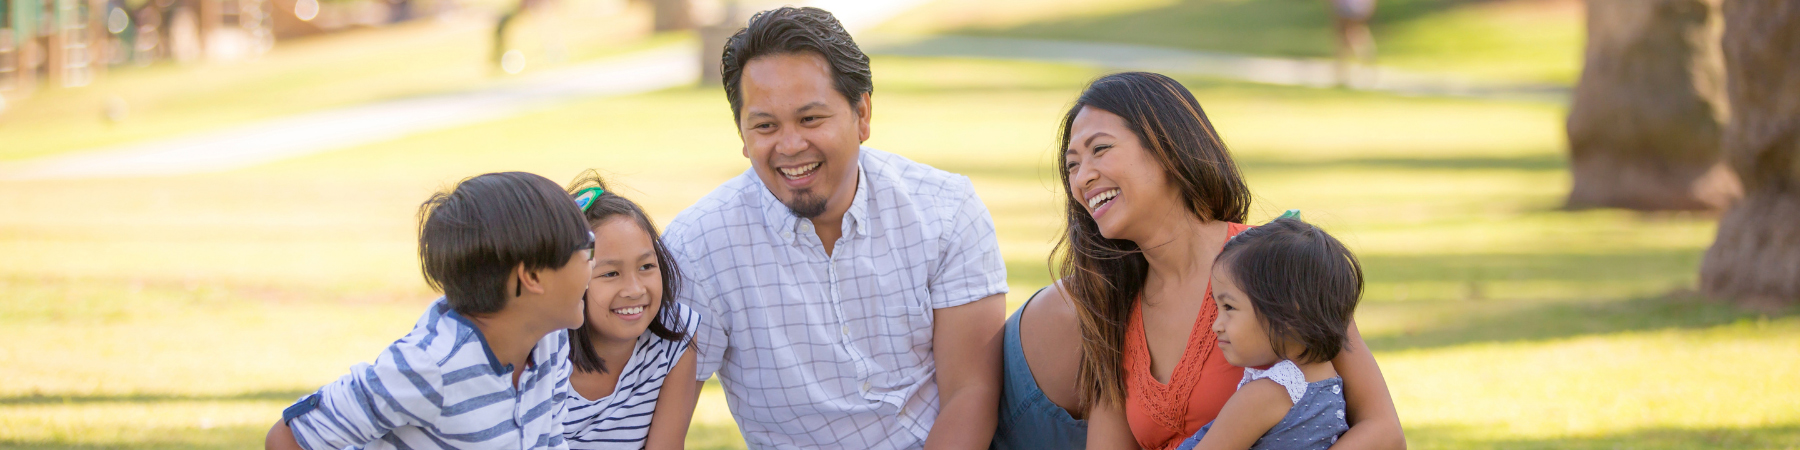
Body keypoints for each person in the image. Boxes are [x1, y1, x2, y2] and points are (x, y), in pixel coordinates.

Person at [996, 72, 1404, 450]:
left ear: (1167, 147)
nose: (1082, 178)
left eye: (1100, 149)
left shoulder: (1274, 262)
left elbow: (1382, 430)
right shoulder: (1112, 305)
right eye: (1071, 165)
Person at [663, 6, 1008, 449]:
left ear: (861, 114)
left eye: (810, 119)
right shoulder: (697, 246)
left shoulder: (946, 209)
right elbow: (660, 419)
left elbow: (971, 391)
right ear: (743, 136)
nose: (790, 145)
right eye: (765, 126)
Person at [264, 171, 593, 450]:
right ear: (532, 276)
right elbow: (289, 437)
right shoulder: (428, 367)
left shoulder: (550, 340)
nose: (593, 265)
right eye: (587, 249)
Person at [1174, 216, 1362, 450]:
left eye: (1229, 307)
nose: (1216, 325)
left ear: (1287, 313)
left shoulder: (1264, 395)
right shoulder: (1327, 383)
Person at [560, 172, 703, 449]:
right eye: (611, 273)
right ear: (569, 280)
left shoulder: (675, 333)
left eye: (646, 267)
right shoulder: (541, 351)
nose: (635, 289)